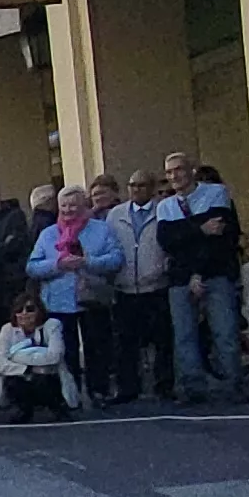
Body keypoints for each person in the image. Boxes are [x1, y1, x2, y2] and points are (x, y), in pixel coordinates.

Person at [154, 154, 246, 401]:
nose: (174, 176)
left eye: (179, 170)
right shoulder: (165, 206)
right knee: (184, 335)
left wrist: (186, 236)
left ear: (191, 170)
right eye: (169, 172)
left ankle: (233, 385)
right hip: (180, 277)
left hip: (215, 271)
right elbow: (167, 241)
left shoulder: (216, 193)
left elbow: (219, 237)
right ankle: (192, 388)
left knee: (224, 331)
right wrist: (200, 228)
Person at [22, 186, 124, 389]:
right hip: (58, 304)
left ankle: (99, 391)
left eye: (73, 205)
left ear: (84, 205)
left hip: (93, 300)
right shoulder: (48, 234)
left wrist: (87, 262)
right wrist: (58, 265)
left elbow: (116, 259)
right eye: (64, 205)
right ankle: (70, 393)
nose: (68, 210)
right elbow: (32, 267)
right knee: (66, 353)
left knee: (97, 350)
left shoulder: (101, 229)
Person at [95, 170, 174, 403]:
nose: (136, 190)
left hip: (156, 286)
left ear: (151, 188)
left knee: (163, 341)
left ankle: (164, 385)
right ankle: (127, 388)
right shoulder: (116, 214)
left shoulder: (163, 210)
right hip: (125, 288)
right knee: (125, 343)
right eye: (132, 185)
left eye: (141, 185)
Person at [0, 293, 74, 420]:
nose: (24, 313)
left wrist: (14, 356)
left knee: (44, 379)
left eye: (30, 309)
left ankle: (57, 407)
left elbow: (55, 356)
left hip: (48, 376)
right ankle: (23, 409)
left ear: (39, 311)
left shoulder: (52, 325)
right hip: (21, 376)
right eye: (19, 310)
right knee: (15, 382)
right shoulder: (7, 329)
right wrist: (28, 369)